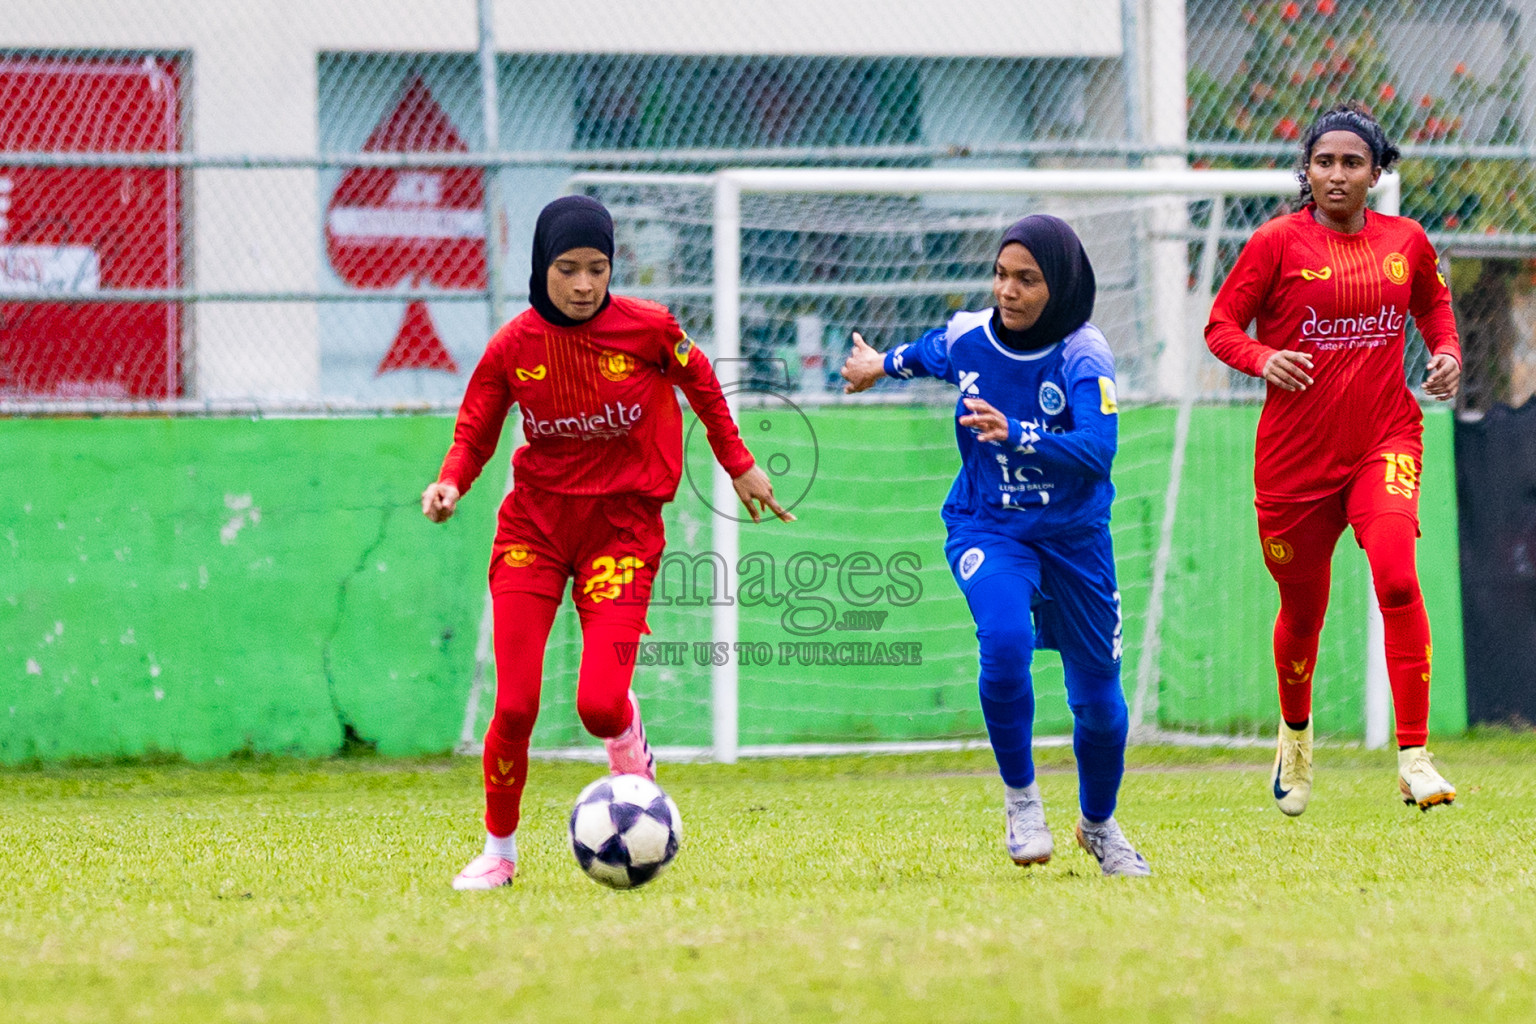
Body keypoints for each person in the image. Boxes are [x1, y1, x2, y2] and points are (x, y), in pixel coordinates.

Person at [423, 195, 792, 890]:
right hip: (535, 531)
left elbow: (701, 380)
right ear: (542, 266)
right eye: (568, 269)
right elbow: (475, 429)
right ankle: (499, 852)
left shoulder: (649, 328)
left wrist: (738, 461)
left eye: (598, 268)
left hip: (621, 534)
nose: (584, 284)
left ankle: (628, 742)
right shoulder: (513, 347)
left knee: (598, 704)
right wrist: (450, 482)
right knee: (515, 706)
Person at [841, 215, 1150, 877]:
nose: (1008, 291)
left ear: (1060, 285)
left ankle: (1098, 825)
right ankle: (1022, 800)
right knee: (1005, 640)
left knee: (1099, 706)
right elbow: (922, 354)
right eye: (1001, 275)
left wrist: (1018, 433)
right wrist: (876, 365)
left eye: (1027, 280)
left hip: (1075, 539)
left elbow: (1098, 452)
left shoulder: (1083, 354)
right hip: (989, 526)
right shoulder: (969, 336)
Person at [1205, 102, 1461, 816]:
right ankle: (1295, 736)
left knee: (1398, 579)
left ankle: (1414, 757)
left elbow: (1433, 309)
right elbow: (1221, 325)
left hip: (1385, 440)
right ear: (1307, 172)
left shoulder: (1407, 240)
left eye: (1353, 162)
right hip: (1294, 464)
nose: (1337, 174)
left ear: (1376, 174)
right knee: (1303, 610)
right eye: (1324, 162)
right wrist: (1262, 357)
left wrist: (1446, 352)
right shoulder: (1275, 244)